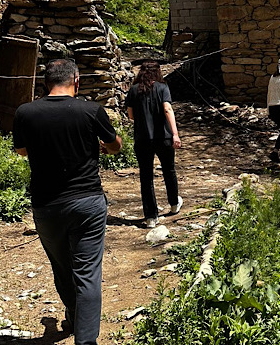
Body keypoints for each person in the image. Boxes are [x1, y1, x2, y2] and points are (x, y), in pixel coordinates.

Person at [13, 59, 122, 345]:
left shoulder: (25, 112)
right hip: (87, 202)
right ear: (76, 81)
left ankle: (74, 316)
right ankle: (85, 339)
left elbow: (21, 150)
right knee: (87, 273)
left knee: (63, 269)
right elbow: (115, 145)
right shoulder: (91, 110)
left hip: (47, 205)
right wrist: (108, 147)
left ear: (45, 82)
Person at [125, 60, 183, 229]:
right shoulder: (162, 88)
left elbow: (130, 115)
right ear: (157, 72)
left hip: (142, 139)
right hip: (163, 137)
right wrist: (175, 134)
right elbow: (168, 109)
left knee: (146, 176)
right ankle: (174, 204)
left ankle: (151, 217)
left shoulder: (133, 90)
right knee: (169, 170)